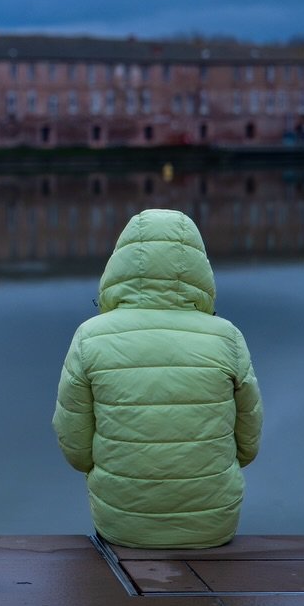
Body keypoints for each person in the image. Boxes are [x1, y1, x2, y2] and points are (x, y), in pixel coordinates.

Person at [52, 208, 262, 549]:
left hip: (122, 522)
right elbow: (249, 442)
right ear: (199, 267)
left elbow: (75, 448)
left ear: (119, 263)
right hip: (212, 523)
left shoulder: (90, 336)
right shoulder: (227, 337)